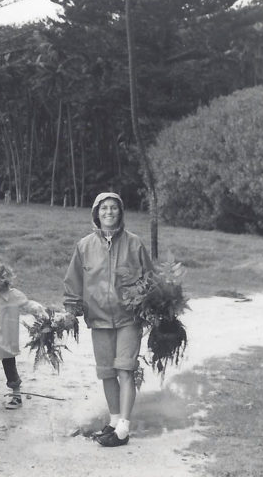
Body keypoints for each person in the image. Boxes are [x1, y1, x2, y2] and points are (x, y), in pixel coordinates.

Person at [63, 192, 153, 447]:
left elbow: (150, 279)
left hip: (129, 318)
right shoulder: (84, 246)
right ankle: (114, 421)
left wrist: (154, 309)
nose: (109, 212)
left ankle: (124, 427)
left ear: (120, 213)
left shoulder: (134, 244)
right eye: (104, 208)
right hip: (99, 320)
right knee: (107, 372)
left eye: (114, 208)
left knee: (125, 369)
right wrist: (71, 310)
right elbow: (74, 281)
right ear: (96, 213)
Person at [0, 264, 47, 410]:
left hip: (8, 340)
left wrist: (37, 310)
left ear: (5, 280)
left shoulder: (14, 295)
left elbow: (27, 304)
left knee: (10, 368)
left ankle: (16, 397)